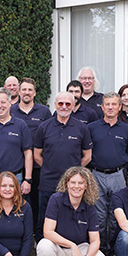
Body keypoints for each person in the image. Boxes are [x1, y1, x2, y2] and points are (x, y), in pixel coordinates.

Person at [37, 167, 111, 256]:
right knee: (43, 245)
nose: (76, 186)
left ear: (86, 186)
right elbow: (47, 232)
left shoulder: (90, 206)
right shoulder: (56, 199)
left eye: (81, 183)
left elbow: (95, 240)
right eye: (73, 182)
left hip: (79, 251)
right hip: (58, 249)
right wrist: (72, 245)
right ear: (67, 183)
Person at [33, 91, 92, 238]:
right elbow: (37, 155)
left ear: (73, 105)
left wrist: (74, 173)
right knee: (44, 218)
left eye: (67, 104)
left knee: (69, 219)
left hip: (72, 185)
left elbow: (87, 156)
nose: (64, 106)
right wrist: (49, 166)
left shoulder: (81, 128)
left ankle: (67, 248)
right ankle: (42, 248)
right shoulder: (44, 127)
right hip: (48, 182)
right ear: (55, 105)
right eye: (60, 103)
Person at [87, 92, 128, 256]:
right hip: (96, 175)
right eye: (107, 104)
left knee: (116, 216)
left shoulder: (127, 130)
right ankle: (100, 250)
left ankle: (114, 250)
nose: (110, 107)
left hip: (118, 176)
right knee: (99, 216)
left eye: (114, 104)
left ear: (119, 107)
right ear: (102, 107)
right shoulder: (91, 128)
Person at [11, 77, 51, 238]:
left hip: (38, 166)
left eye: (30, 90)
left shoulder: (44, 112)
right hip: (16, 166)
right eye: (24, 89)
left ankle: (37, 235)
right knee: (17, 203)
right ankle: (20, 235)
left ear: (34, 93)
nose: (27, 92)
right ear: (19, 92)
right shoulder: (11, 111)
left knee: (37, 203)